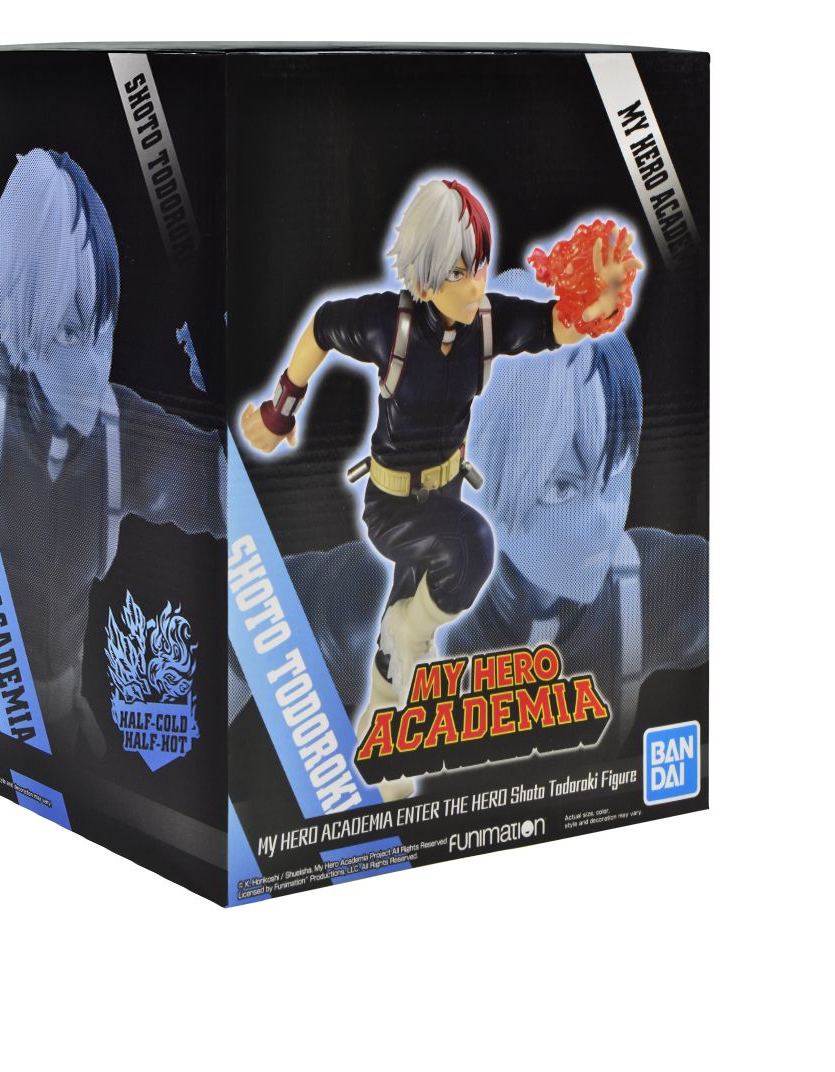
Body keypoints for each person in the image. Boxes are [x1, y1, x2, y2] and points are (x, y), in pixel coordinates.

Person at [239, 178, 640, 798]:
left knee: (407, 612)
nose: (475, 286)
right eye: (457, 272)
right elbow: (321, 327)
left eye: (479, 266)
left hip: (447, 492)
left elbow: (548, 327)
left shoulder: (486, 325)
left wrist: (596, 306)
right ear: (425, 278)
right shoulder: (390, 327)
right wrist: (279, 410)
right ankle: (408, 632)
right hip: (394, 504)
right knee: (471, 550)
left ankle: (384, 723)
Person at [0, 149, 223, 756]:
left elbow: (226, 488)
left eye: (103, 325)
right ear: (27, 321)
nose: (94, 360)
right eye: (72, 330)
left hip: (62, 731)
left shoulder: (123, 437)